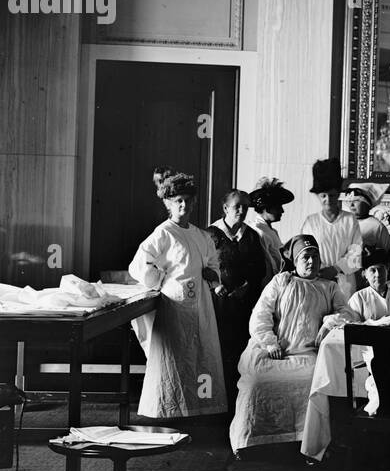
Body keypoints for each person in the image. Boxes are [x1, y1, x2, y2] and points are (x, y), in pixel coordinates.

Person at [228, 234, 357, 454]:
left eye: (315, 256)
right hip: (275, 350)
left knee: (315, 381)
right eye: (306, 257)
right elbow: (260, 314)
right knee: (256, 381)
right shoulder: (282, 281)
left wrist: (329, 323)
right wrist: (269, 342)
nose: (311, 261)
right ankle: (251, 440)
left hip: (308, 352)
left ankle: (306, 441)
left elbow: (347, 314)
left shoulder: (329, 287)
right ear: (295, 260)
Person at [129, 171, 227, 419]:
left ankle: (201, 406)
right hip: (175, 304)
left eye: (187, 200)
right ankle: (169, 409)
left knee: (201, 353)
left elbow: (213, 263)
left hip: (201, 304)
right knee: (176, 356)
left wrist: (212, 274)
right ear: (168, 204)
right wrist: (160, 279)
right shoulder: (164, 233)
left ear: (194, 202)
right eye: (178, 201)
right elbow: (139, 265)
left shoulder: (201, 235)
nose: (183, 205)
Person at [206, 189, 266, 404]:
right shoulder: (210, 234)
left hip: (244, 303)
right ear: (225, 208)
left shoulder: (251, 236)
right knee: (218, 348)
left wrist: (247, 286)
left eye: (245, 207)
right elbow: (202, 266)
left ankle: (239, 400)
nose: (241, 210)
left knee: (242, 348)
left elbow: (260, 268)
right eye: (237, 206)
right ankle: (214, 399)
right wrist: (215, 286)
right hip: (218, 303)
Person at [302, 159, 363, 300]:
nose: (328, 200)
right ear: (318, 196)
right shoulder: (311, 223)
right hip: (318, 279)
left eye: (332, 195)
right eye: (323, 196)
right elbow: (305, 251)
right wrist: (319, 269)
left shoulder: (349, 220)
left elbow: (356, 252)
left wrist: (335, 269)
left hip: (344, 282)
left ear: (338, 194)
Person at [346, 244, 390, 321]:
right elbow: (353, 325)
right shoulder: (358, 298)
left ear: (387, 269)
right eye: (373, 270)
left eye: (381, 269)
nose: (378, 274)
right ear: (365, 274)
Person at [247, 176, 294, 283]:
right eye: (278, 207)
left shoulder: (270, 231)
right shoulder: (258, 231)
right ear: (266, 207)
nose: (282, 211)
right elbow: (270, 267)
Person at [343, 182, 390, 255]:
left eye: (356, 201)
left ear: (367, 204)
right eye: (349, 201)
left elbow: (389, 253)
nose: (351, 205)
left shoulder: (377, 227)